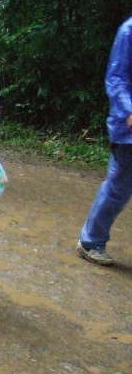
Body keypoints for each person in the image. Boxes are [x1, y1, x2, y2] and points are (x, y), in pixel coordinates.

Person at [77, 16, 132, 266]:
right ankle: (91, 241)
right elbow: (116, 77)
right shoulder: (128, 31)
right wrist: (128, 110)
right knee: (119, 186)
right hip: (129, 126)